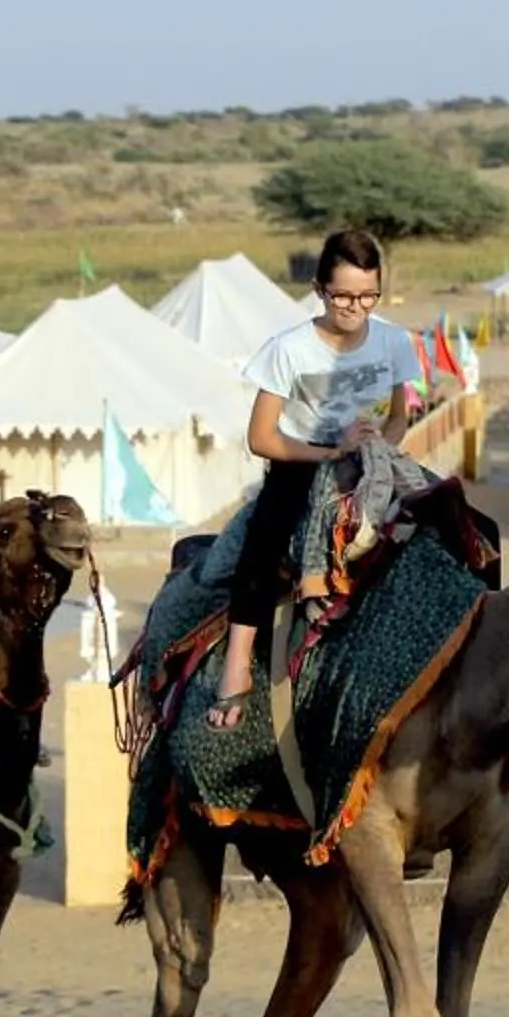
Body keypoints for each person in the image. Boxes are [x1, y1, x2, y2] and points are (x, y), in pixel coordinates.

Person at [206, 227, 415, 728]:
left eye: (368, 296)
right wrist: (327, 450)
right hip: (300, 462)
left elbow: (400, 418)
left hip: (371, 464)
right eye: (343, 295)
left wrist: (377, 443)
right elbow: (261, 437)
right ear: (320, 290)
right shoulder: (289, 349)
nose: (355, 307)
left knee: (452, 519)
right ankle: (237, 667)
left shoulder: (392, 340)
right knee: (265, 538)